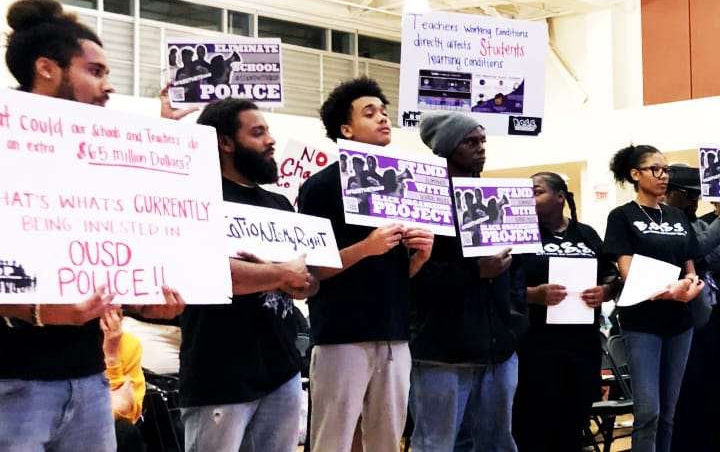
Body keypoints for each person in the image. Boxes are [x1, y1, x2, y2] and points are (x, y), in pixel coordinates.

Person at [0, 0, 185, 452]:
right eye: (95, 71)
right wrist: (38, 311)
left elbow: (109, 265)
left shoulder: (96, 163)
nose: (109, 86)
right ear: (47, 68)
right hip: (11, 384)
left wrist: (149, 303)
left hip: (87, 381)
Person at [297, 77, 434, 452]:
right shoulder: (321, 187)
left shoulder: (399, 185)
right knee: (332, 439)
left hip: (394, 332)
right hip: (342, 334)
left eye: (385, 112)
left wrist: (420, 256)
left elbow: (396, 275)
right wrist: (366, 247)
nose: (383, 119)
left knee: (388, 440)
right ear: (345, 129)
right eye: (369, 113)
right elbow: (311, 270)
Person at [181, 97, 317, 452]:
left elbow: (305, 281)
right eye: (257, 133)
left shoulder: (281, 205)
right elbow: (210, 270)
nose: (270, 140)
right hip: (220, 372)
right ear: (225, 143)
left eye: (268, 131)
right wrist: (279, 273)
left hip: (282, 369)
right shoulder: (198, 199)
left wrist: (303, 281)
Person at [410, 111, 524, 452]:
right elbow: (414, 275)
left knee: (497, 443)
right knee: (436, 444)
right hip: (442, 348)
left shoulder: (495, 197)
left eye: (482, 141)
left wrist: (515, 319)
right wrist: (475, 272)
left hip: (498, 346)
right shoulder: (422, 200)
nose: (480, 148)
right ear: (446, 148)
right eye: (470, 142)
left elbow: (516, 267)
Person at [604, 144, 704, 452]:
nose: (664, 176)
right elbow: (626, 270)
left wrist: (689, 285)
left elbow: (690, 268)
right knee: (649, 410)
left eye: (666, 170)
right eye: (655, 170)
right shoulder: (622, 216)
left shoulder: (676, 216)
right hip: (641, 322)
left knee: (669, 413)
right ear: (635, 174)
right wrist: (670, 288)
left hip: (679, 321)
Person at [512, 172, 620, 452]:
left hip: (581, 345)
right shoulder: (520, 234)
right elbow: (500, 287)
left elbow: (611, 273)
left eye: (536, 191)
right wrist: (533, 295)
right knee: (533, 423)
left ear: (560, 197)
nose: (529, 198)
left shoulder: (586, 234)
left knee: (573, 423)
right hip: (535, 345)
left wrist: (605, 291)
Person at [664, 165, 720, 452]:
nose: (693, 202)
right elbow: (695, 248)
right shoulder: (658, 225)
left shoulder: (697, 222)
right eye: (687, 195)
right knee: (680, 398)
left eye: (697, 196)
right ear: (669, 194)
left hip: (705, 317)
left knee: (706, 393)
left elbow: (711, 255)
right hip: (669, 322)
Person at [101, 309, 147, 452]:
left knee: (124, 432)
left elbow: (130, 412)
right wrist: (113, 408)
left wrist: (112, 356)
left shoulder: (129, 343)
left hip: (109, 425)